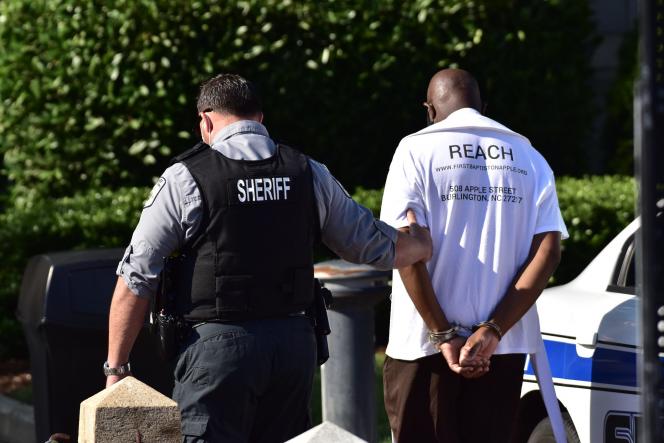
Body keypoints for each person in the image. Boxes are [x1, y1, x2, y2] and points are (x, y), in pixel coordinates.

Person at [105, 73, 432, 443]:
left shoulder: (185, 179)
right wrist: (421, 242)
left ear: (206, 121)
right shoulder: (308, 172)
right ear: (259, 119)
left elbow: (136, 277)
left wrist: (116, 367)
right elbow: (369, 244)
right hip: (293, 347)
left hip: (217, 352)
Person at [379, 68, 568, 443]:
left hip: (423, 346)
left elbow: (405, 245)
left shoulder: (415, 149)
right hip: (501, 348)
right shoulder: (529, 156)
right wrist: (493, 330)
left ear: (429, 110)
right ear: (484, 107)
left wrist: (443, 334)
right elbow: (548, 251)